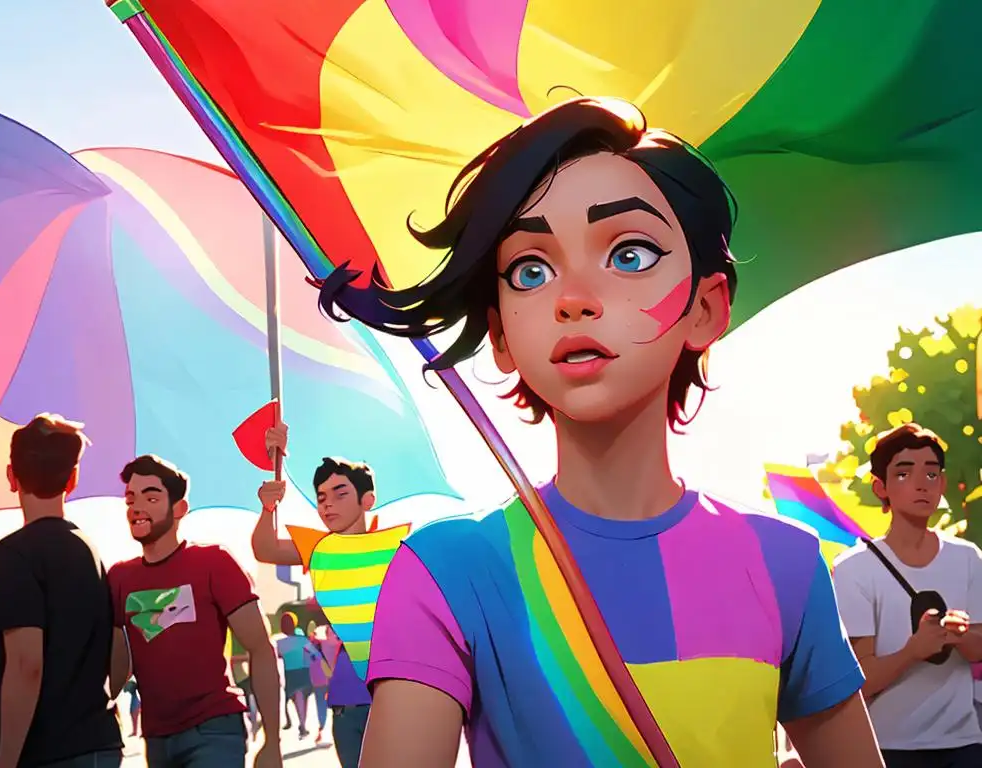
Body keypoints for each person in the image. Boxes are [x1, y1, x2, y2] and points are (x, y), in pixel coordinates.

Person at [316, 97, 882, 767]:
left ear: (706, 307)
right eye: (531, 269)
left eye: (631, 253)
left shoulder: (784, 564)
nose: (573, 296)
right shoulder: (445, 570)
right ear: (500, 332)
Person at [107, 454, 282, 768]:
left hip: (214, 729)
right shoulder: (119, 577)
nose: (136, 507)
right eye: (131, 498)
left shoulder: (214, 562)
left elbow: (261, 648)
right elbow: (119, 659)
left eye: (151, 496)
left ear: (179, 509)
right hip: (156, 738)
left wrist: (273, 741)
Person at [0, 414, 124, 768]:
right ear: (72, 479)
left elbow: (26, 665)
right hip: (97, 741)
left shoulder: (9, 555)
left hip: (41, 752)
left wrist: (4, 761)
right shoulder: (90, 551)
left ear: (12, 476)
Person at [833, 423, 982, 767]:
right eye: (903, 474)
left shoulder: (968, 557)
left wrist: (957, 635)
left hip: (963, 743)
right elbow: (859, 679)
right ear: (880, 487)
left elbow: (978, 649)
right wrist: (913, 651)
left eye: (931, 474)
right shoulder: (855, 568)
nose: (920, 484)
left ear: (942, 484)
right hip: (888, 746)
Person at [253, 451, 409, 768]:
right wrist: (268, 506)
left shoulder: (396, 547)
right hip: (346, 700)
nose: (327, 504)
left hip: (394, 696)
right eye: (321, 496)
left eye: (340, 494)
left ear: (368, 499)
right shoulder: (318, 548)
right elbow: (265, 548)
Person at [275, 612, 311, 740]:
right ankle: (302, 724)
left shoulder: (280, 643)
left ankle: (302, 724)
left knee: (297, 698)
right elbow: (315, 654)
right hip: (304, 671)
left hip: (290, 673)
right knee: (303, 698)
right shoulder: (303, 640)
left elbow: (279, 655)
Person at [304, 621, 330, 744]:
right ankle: (326, 730)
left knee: (320, 705)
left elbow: (305, 663)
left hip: (316, 680)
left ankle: (322, 728)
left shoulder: (307, 648)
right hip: (328, 678)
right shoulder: (326, 644)